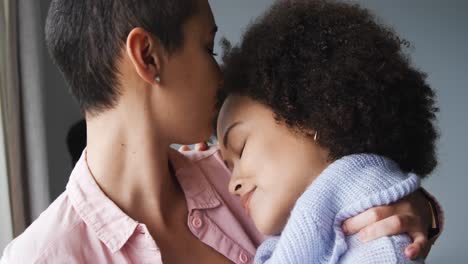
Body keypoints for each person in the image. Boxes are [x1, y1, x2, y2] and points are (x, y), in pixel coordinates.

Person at [1, 0, 442, 263]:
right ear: (148, 57)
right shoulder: (40, 258)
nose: (220, 74)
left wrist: (414, 209)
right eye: (207, 47)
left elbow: (348, 181)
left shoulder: (250, 180)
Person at [216, 0, 440, 263]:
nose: (232, 185)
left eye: (240, 148)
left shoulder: (382, 249)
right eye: (228, 166)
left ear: (308, 115)